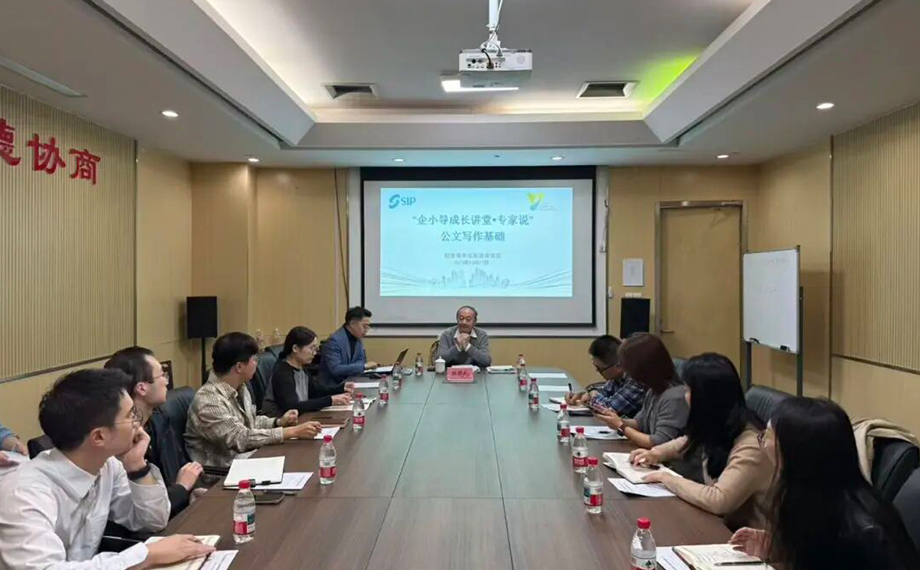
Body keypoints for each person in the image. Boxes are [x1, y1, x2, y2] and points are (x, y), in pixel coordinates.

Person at [0, 369, 214, 570]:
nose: (138, 424)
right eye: (130, 415)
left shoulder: (107, 465)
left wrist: (137, 468)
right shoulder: (24, 494)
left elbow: (153, 521)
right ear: (99, 436)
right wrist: (146, 555)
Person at [730, 397, 920, 570]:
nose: (763, 442)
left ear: (794, 452)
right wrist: (778, 548)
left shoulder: (856, 531)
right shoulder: (818, 499)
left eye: (768, 436)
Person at [630, 353, 772, 529]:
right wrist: (655, 453)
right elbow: (689, 441)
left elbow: (718, 500)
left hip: (745, 537)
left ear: (705, 397)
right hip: (721, 525)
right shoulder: (721, 423)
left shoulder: (751, 446)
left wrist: (667, 479)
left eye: (688, 390)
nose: (684, 396)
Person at [185, 332, 322, 468]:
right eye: (254, 359)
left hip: (248, 460)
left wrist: (278, 422)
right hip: (223, 473)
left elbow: (250, 422)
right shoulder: (209, 401)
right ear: (239, 367)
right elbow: (241, 438)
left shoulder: (241, 387)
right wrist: (291, 432)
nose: (257, 363)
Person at [105, 346, 203, 518]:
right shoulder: (118, 442)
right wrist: (181, 490)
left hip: (178, 512)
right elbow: (143, 512)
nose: (166, 382)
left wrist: (191, 491)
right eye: (162, 375)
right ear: (142, 388)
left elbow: (185, 470)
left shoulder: (160, 420)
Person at [593, 333, 688, 449]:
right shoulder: (653, 390)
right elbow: (639, 423)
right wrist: (616, 420)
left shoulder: (674, 397)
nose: (626, 372)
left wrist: (621, 426)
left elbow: (657, 442)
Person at [262, 326, 354, 416]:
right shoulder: (282, 372)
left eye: (315, 348)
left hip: (300, 417)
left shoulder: (301, 367)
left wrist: (341, 388)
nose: (314, 353)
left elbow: (315, 391)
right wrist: (330, 400)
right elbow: (292, 407)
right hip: (280, 421)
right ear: (295, 348)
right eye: (311, 348)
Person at [564, 335, 645, 418]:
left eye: (600, 369)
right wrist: (585, 394)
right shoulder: (617, 377)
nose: (598, 372)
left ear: (618, 365)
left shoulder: (637, 380)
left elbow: (607, 408)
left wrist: (592, 393)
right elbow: (603, 393)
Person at [318, 307, 377, 387]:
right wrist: (363, 366)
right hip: (333, 386)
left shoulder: (357, 338)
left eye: (368, 327)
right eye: (364, 326)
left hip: (351, 382)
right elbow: (336, 369)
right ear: (352, 324)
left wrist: (361, 366)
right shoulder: (334, 341)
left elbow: (361, 360)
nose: (366, 330)